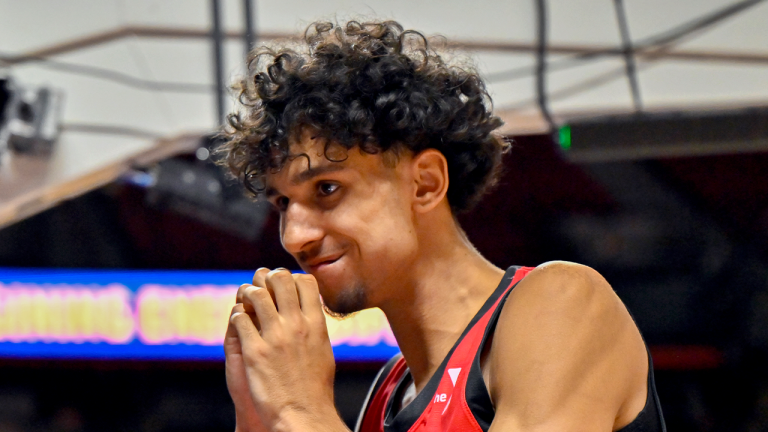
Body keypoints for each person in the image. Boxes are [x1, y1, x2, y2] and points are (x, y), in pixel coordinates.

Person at [217, 20, 666, 432]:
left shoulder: (561, 301)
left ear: (426, 184)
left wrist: (299, 411)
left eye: (327, 189)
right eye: (282, 203)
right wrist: (259, 421)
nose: (294, 236)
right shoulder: (387, 392)